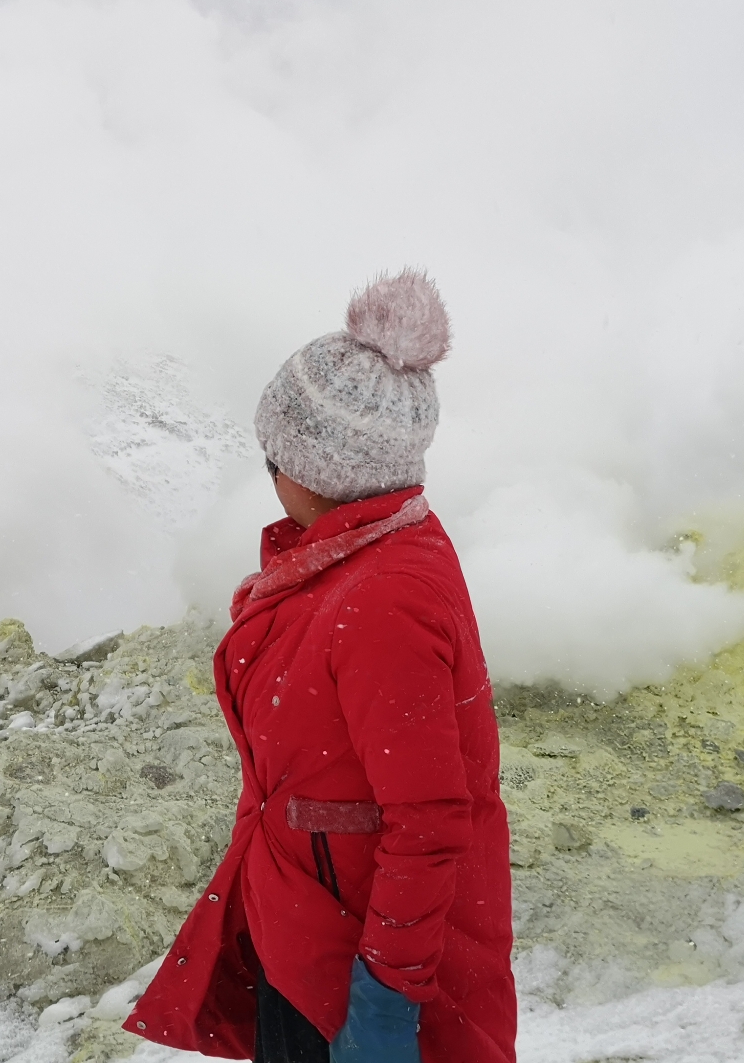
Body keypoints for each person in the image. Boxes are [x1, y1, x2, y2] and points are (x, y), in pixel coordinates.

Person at [126, 271, 516, 1063]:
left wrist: (387, 995)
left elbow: (431, 818)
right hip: (308, 933)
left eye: (275, 458)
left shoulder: (383, 603)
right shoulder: (357, 562)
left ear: (324, 471)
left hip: (351, 963)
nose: (268, 476)